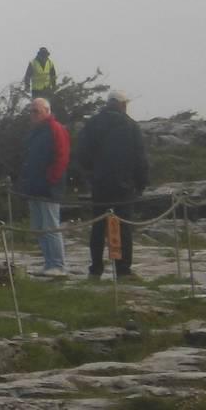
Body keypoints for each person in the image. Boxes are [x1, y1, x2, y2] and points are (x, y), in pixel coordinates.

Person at [77, 88, 149, 280]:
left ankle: (96, 269)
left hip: (100, 184)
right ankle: (123, 269)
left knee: (98, 228)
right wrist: (141, 183)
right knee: (123, 227)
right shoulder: (131, 126)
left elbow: (82, 154)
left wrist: (91, 175)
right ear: (121, 104)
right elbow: (140, 158)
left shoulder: (92, 124)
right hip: (124, 185)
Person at [19, 96, 71, 276]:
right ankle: (49, 263)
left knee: (50, 226)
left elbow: (62, 157)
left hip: (48, 186)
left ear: (47, 111)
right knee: (39, 227)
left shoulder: (55, 129)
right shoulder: (36, 131)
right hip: (34, 185)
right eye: (31, 111)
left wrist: (51, 179)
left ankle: (58, 264)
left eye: (36, 111)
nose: (33, 115)